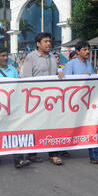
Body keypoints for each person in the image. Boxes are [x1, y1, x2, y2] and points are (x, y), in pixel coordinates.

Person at [58, 40, 98, 165]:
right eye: (85, 50)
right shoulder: (71, 64)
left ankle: (96, 156)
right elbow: (67, 84)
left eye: (88, 49)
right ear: (78, 51)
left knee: (92, 126)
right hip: (74, 103)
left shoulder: (89, 64)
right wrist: (82, 77)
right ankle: (60, 149)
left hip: (88, 102)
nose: (87, 52)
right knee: (69, 127)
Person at [21, 32, 64, 165]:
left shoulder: (52, 57)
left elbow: (55, 73)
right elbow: (25, 78)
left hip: (51, 99)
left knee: (52, 125)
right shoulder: (30, 57)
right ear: (38, 44)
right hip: (36, 99)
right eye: (45, 41)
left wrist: (60, 73)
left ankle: (53, 154)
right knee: (35, 126)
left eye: (49, 41)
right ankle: (32, 153)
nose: (48, 44)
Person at [0, 48, 29, 168]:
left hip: (12, 105)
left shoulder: (13, 69)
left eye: (6, 55)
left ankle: (18, 159)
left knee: (16, 130)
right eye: (2, 55)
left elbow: (18, 84)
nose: (5, 58)